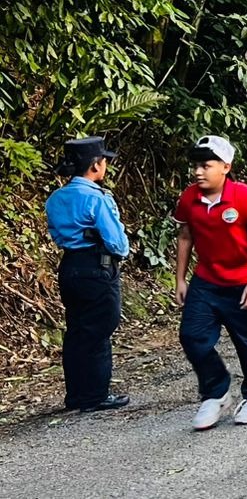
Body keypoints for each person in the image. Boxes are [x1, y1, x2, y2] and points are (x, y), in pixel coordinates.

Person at [173, 136, 247, 429]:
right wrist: (180, 279)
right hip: (206, 281)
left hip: (243, 281)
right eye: (196, 165)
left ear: (225, 167)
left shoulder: (244, 196)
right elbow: (185, 237)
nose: (198, 172)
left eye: (206, 165)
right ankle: (216, 392)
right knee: (192, 337)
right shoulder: (188, 199)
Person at [46, 136, 130, 413]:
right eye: (104, 161)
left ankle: (76, 395)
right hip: (98, 266)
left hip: (70, 266)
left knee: (78, 329)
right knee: (100, 328)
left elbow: (58, 234)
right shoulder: (97, 198)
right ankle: (96, 395)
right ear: (95, 166)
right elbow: (118, 243)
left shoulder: (55, 198)